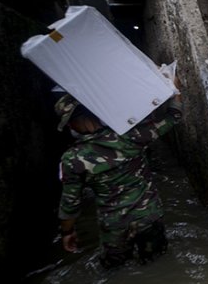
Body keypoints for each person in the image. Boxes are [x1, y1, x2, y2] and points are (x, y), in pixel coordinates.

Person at [56, 90, 183, 269]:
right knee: (159, 264)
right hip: (148, 218)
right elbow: (173, 117)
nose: (70, 128)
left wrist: (67, 232)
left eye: (69, 124)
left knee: (115, 271)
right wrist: (175, 92)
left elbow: (70, 204)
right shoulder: (130, 135)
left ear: (77, 121)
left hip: (113, 227)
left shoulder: (73, 159)